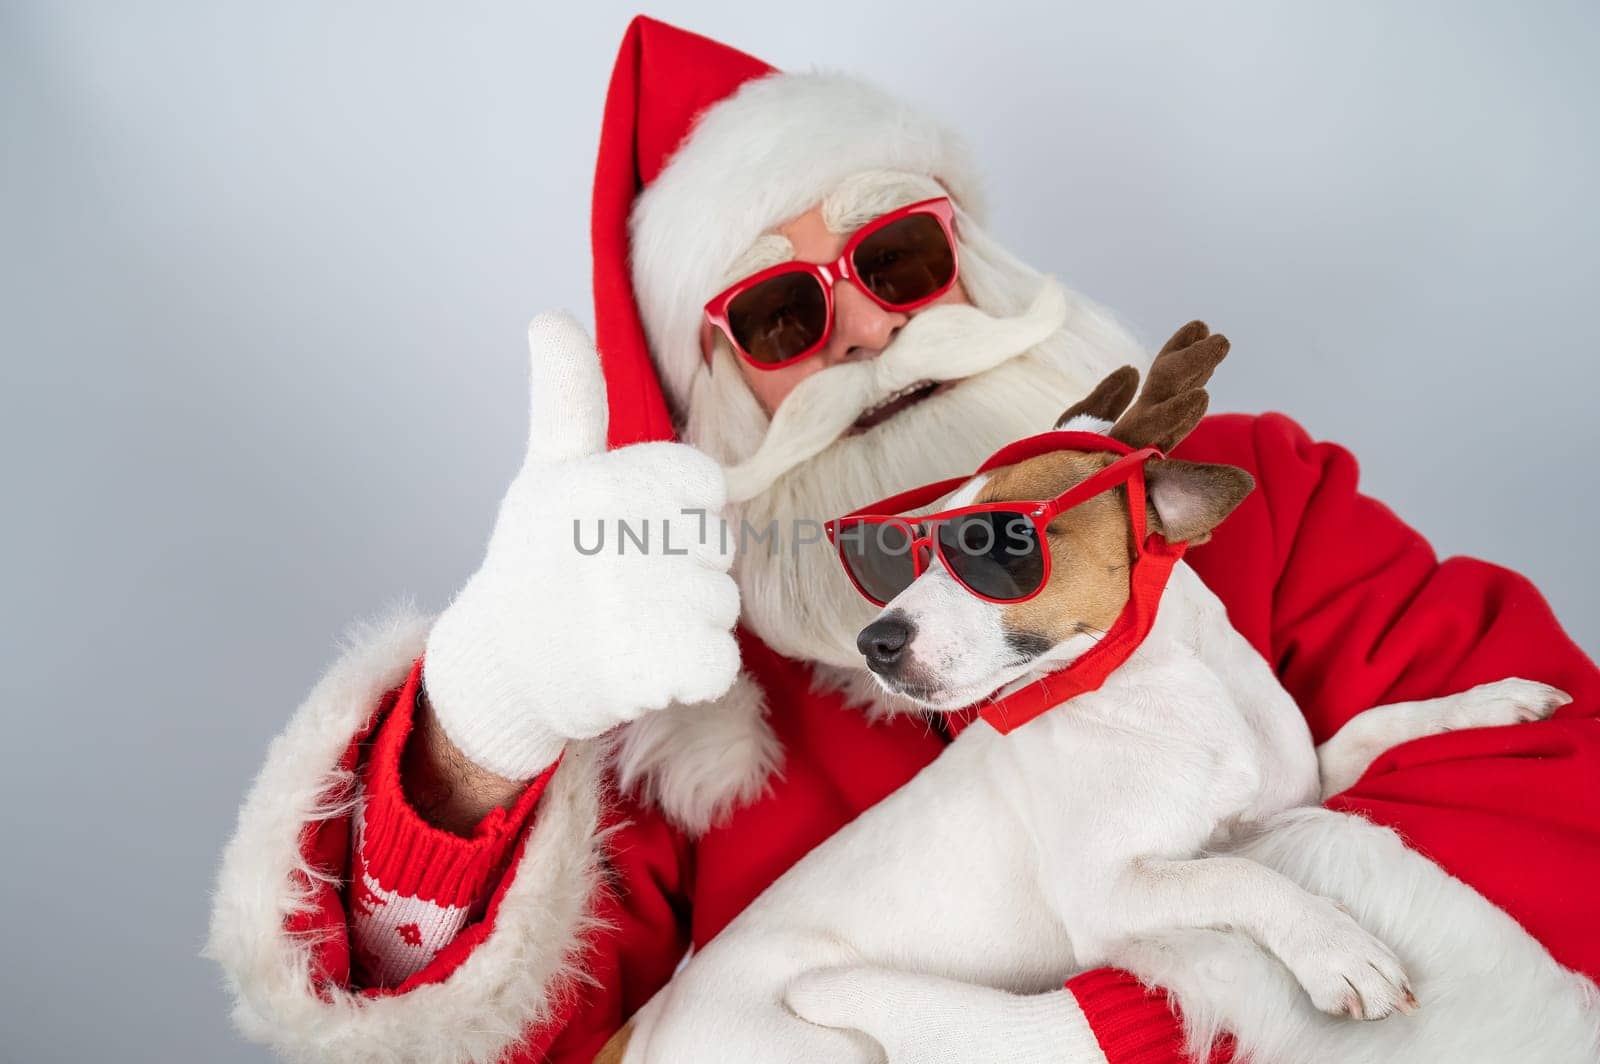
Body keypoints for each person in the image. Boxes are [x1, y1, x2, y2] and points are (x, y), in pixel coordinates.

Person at [207, 16, 1600, 1064]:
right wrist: (482, 727)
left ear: (973, 268)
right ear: (718, 401)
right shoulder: (680, 694)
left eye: (898, 260)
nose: (872, 328)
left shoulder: (1248, 489)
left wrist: (1118, 1031)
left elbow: (1544, 803)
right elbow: (494, 1041)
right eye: (778, 318)